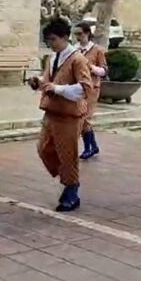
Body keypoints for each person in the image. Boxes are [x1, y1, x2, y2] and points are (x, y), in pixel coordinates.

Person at [28, 18, 92, 212]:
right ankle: (67, 178)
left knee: (68, 153)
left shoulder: (77, 59)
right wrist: (38, 82)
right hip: (51, 111)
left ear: (65, 37)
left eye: (54, 39)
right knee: (44, 149)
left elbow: (84, 88)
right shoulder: (53, 57)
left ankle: (71, 188)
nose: (51, 44)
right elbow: (49, 79)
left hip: (69, 115)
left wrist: (57, 89)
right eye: (48, 40)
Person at [73, 22, 107, 160]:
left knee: (85, 117)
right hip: (77, 88)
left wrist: (92, 67)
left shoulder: (97, 50)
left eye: (80, 34)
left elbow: (104, 70)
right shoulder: (74, 50)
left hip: (92, 88)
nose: (78, 37)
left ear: (87, 33)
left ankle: (88, 148)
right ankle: (94, 146)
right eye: (76, 34)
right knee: (79, 116)